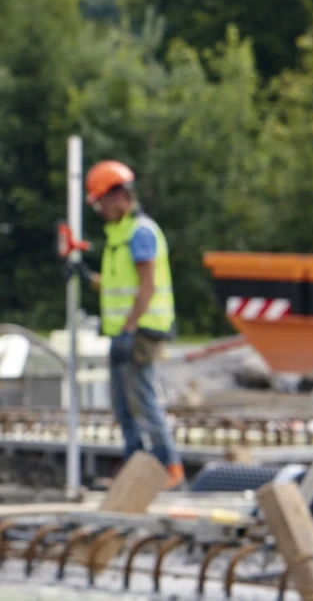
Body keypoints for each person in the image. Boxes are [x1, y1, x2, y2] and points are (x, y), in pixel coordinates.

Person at [76, 160, 185, 489]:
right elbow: (114, 285)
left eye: (101, 202)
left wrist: (128, 330)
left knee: (142, 399)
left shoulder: (139, 233)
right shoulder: (119, 235)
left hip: (141, 331)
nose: (100, 210)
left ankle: (169, 467)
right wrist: (84, 276)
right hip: (125, 331)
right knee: (122, 404)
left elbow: (147, 286)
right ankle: (135, 466)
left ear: (119, 196)